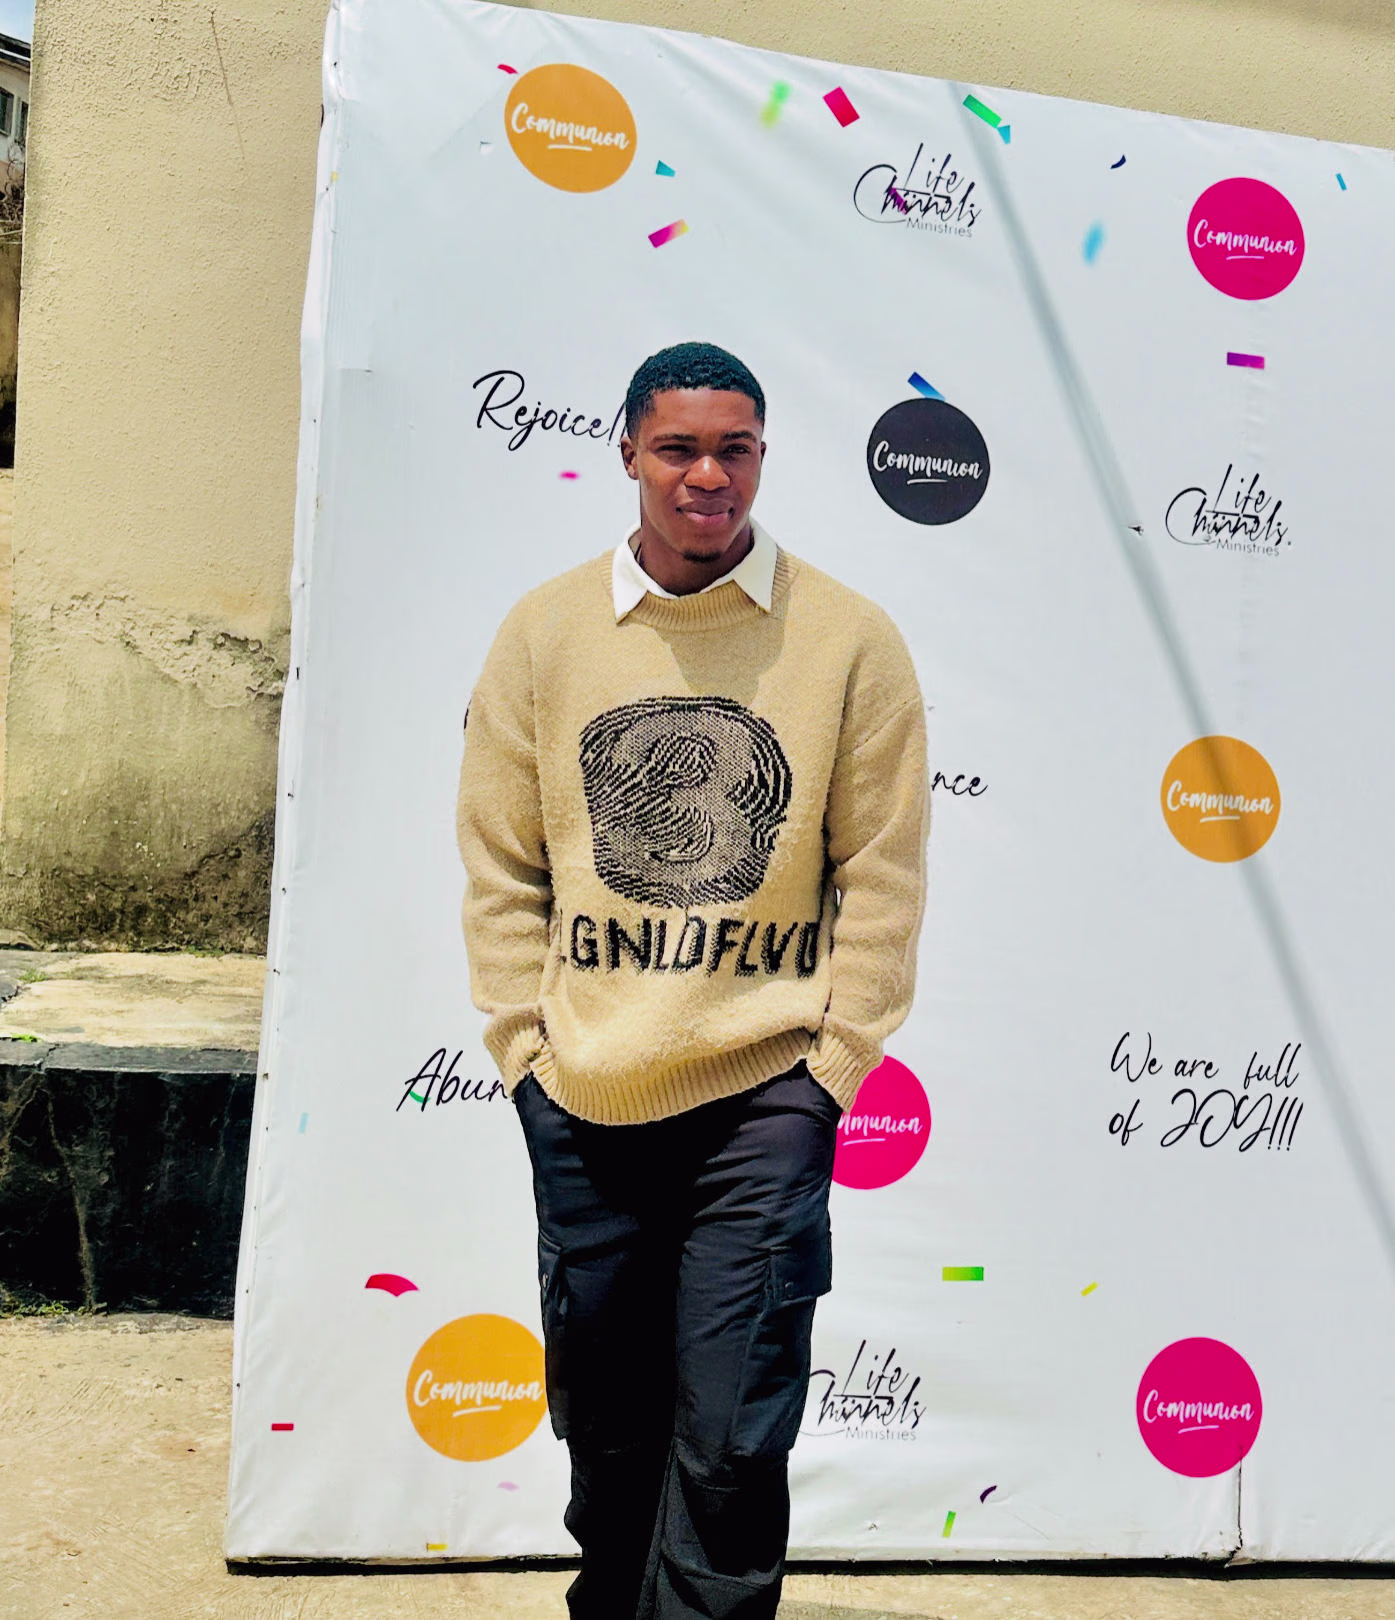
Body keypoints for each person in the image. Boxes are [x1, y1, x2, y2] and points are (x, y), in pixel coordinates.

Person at [457, 341, 928, 1620]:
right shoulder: (547, 634)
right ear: (628, 451)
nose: (707, 476)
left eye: (736, 449)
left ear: (763, 457)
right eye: (678, 448)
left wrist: (830, 1071)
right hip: (587, 1094)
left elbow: (882, 874)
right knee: (608, 1435)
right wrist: (526, 1055)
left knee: (730, 1443)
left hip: (764, 1099)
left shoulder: (847, 641)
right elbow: (501, 863)